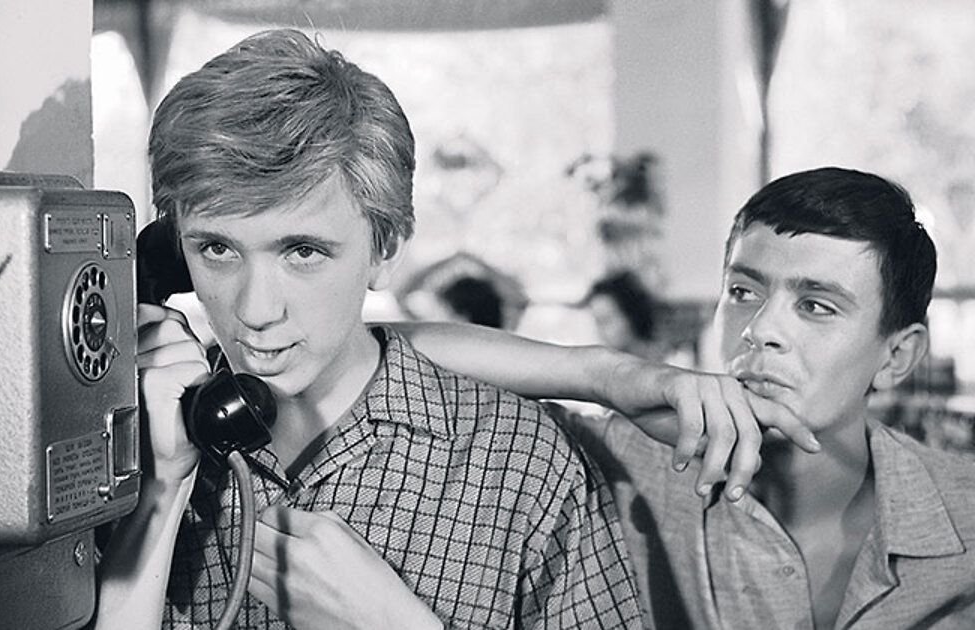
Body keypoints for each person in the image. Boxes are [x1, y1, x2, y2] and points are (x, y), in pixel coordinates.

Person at [95, 29, 651, 629]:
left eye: (303, 251)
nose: (255, 311)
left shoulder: (524, 465)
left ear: (384, 249)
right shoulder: (131, 445)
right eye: (217, 249)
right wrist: (160, 495)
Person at [398, 167, 975, 629]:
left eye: (816, 306)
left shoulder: (963, 513)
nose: (760, 330)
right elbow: (386, 355)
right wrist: (607, 375)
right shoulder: (631, 457)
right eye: (743, 292)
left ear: (896, 357)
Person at [582, 270, 662, 360]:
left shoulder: (668, 361)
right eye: (597, 322)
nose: (600, 332)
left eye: (605, 321)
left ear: (630, 316)